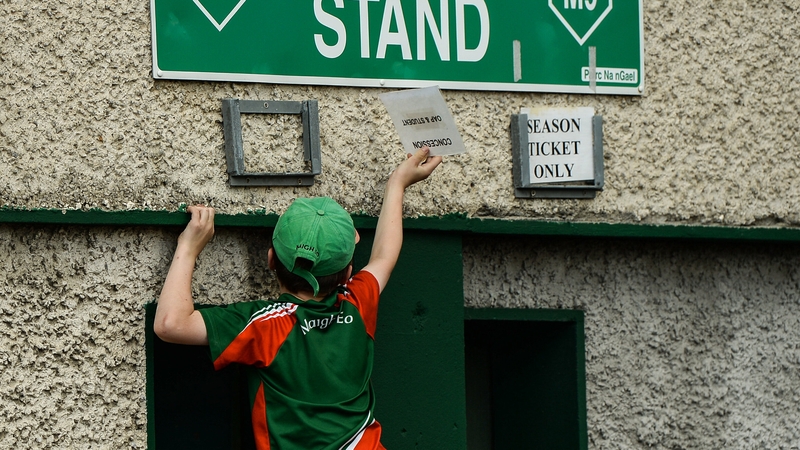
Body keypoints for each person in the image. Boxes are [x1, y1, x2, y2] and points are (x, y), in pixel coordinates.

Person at [154, 147, 441, 449]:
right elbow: (384, 255)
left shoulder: (265, 326)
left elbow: (170, 325)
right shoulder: (356, 302)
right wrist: (398, 183)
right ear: (348, 274)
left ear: (270, 260)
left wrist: (189, 247)